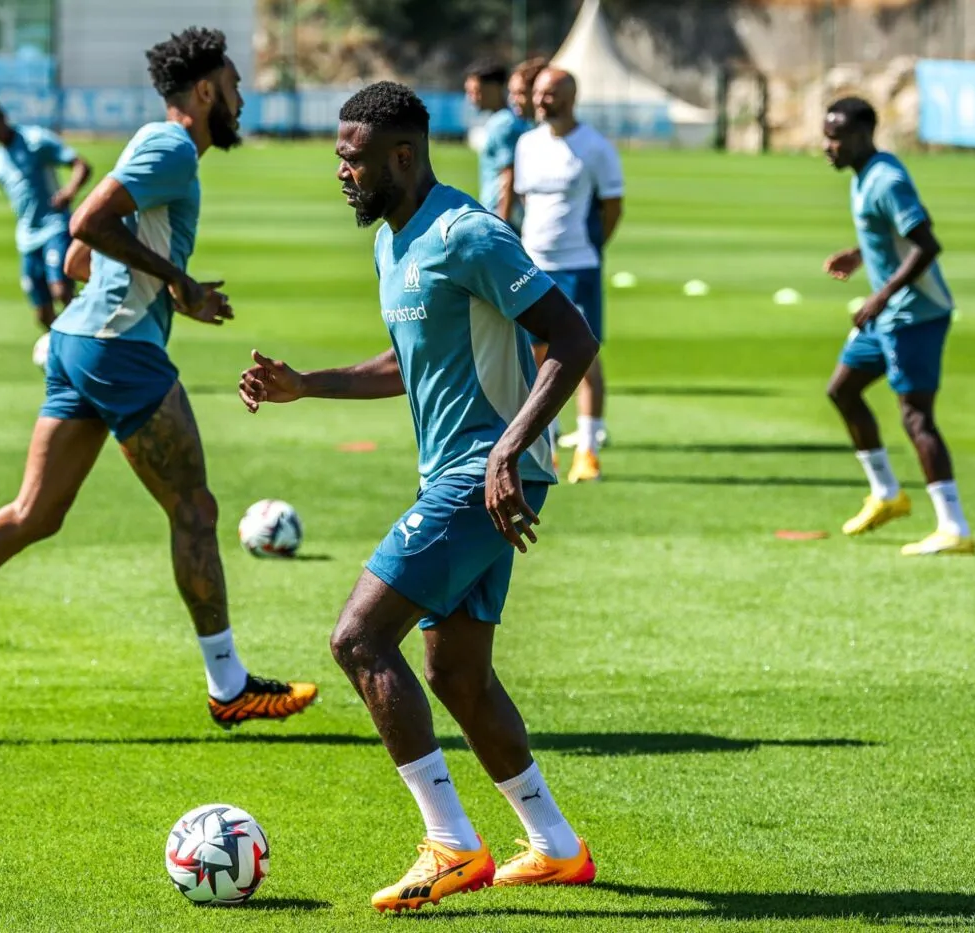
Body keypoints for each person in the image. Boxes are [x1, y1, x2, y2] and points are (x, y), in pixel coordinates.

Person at [0, 27, 318, 726]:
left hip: (78, 339)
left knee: (34, 513)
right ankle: (229, 686)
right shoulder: (169, 148)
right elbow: (86, 220)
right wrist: (178, 283)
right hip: (117, 348)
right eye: (234, 84)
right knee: (194, 509)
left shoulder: (152, 148)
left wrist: (162, 287)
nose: (241, 96)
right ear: (204, 91)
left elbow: (77, 259)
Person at [238, 81, 600, 912]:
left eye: (353, 157)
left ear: (402, 154)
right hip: (457, 474)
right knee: (458, 674)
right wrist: (307, 384)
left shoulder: (468, 233)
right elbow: (412, 360)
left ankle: (452, 842)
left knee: (359, 638)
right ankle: (555, 846)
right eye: (339, 156)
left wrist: (509, 447)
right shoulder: (392, 242)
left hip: (483, 474)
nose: (342, 172)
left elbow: (571, 335)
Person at [821, 97, 972, 555]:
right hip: (887, 315)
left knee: (916, 417)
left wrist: (880, 295)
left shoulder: (886, 180)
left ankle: (954, 528)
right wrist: (861, 252)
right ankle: (888, 494)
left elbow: (926, 244)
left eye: (837, 137)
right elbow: (891, 235)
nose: (828, 146)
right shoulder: (864, 173)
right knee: (842, 390)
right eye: (826, 135)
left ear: (865, 135)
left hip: (914, 315)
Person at [513, 68, 623, 483]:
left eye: (550, 93)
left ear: (571, 97)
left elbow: (612, 206)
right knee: (539, 357)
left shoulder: (595, 148)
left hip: (578, 266)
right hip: (532, 264)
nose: (541, 100)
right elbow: (526, 200)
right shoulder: (527, 144)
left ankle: (588, 451)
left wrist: (592, 250)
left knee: (584, 356)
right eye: (538, 92)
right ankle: (550, 446)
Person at [0, 99, 92, 349]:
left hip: (54, 226)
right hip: (27, 237)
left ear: (1, 117)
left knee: (61, 290)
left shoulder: (35, 140)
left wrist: (68, 192)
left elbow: (81, 165)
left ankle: (91, 342)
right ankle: (68, 348)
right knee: (42, 314)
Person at [465, 59, 528, 230]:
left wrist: (502, 223)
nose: (472, 98)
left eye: (476, 91)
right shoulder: (506, 119)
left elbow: (509, 175)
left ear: (494, 88)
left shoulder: (503, 124)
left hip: (503, 216)